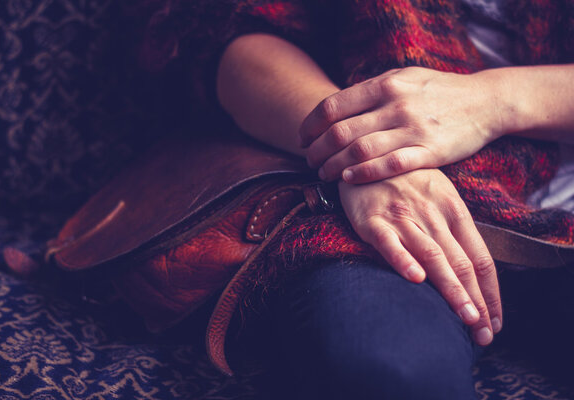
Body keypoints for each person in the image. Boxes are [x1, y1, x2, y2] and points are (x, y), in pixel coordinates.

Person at [139, 0, 574, 398]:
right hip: (378, 209)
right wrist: (358, 150)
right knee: (390, 372)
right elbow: (224, 35)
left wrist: (493, 101)